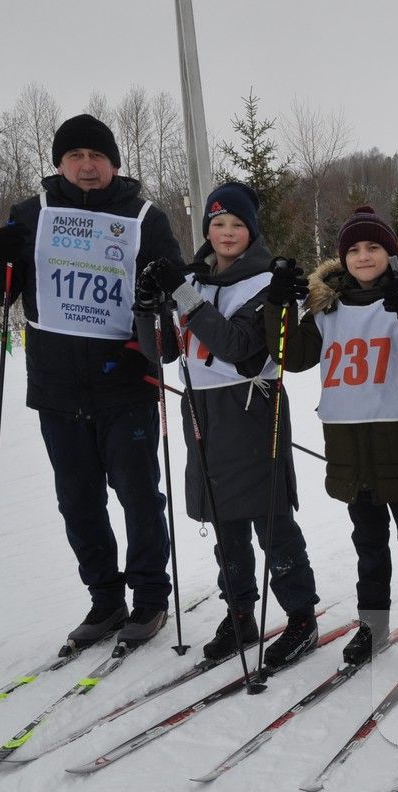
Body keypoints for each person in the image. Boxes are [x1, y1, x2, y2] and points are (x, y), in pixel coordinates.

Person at [0, 113, 183, 651]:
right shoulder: (32, 215)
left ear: (114, 162)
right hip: (57, 388)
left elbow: (174, 292)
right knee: (78, 499)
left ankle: (151, 597)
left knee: (138, 494)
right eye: (75, 157)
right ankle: (105, 599)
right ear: (60, 163)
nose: (87, 167)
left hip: (125, 385)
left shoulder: (144, 217)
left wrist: (155, 330)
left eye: (97, 157)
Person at [134, 182, 322, 668]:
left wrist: (178, 291)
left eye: (237, 224)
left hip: (251, 407)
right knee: (225, 523)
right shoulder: (192, 279)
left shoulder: (266, 282)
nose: (227, 232)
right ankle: (239, 609)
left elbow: (238, 347)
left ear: (252, 231)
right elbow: (163, 353)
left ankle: (300, 614)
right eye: (218, 224)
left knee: (270, 517)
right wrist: (147, 307)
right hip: (202, 411)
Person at [269, 206, 398, 670]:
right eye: (354, 249)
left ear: (389, 253)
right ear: (342, 258)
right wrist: (279, 305)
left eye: (373, 247)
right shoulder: (327, 309)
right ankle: (372, 624)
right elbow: (290, 355)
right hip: (350, 451)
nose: (363, 256)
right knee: (368, 546)